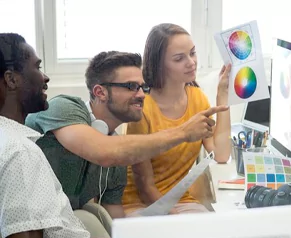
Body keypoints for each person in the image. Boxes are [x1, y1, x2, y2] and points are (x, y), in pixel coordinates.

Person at [26, 49, 229, 219]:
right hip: (25, 232)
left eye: (143, 87)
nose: (141, 94)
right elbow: (104, 152)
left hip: (66, 229)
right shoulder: (64, 107)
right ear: (100, 92)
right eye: (131, 86)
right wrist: (183, 132)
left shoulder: (119, 152)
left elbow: (115, 219)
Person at [0, 33, 112, 238]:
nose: (45, 78)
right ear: (11, 79)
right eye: (37, 68)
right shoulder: (19, 152)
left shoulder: (10, 141)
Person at [122, 23, 231, 216]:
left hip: (181, 200)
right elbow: (146, 187)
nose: (191, 62)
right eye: (179, 58)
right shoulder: (142, 109)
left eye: (193, 53)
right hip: (141, 204)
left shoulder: (198, 98)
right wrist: (175, 220)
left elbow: (221, 155)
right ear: (159, 65)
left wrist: (222, 95)